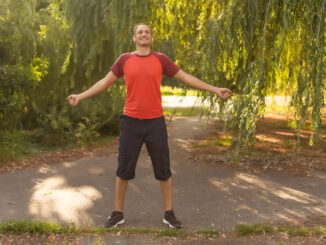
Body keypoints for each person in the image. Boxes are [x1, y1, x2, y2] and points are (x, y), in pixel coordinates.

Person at [67, 23, 232, 229]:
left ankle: (169, 214)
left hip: (155, 123)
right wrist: (80, 96)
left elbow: (186, 78)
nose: (143, 34)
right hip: (131, 123)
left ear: (151, 37)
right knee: (123, 170)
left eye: (147, 32)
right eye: (140, 32)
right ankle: (118, 213)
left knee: (163, 169)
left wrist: (215, 89)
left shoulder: (161, 60)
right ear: (134, 38)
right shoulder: (124, 60)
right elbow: (104, 82)